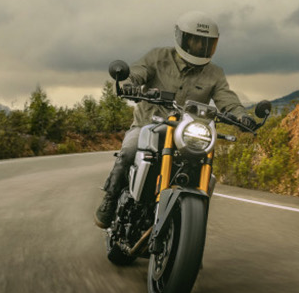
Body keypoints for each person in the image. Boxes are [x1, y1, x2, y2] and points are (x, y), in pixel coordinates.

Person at [96, 11, 256, 228]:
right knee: (130, 151)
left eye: (206, 42)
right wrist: (129, 84)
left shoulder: (215, 73)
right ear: (182, 38)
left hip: (187, 134)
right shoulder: (158, 57)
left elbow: (227, 98)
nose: (200, 46)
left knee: (204, 169)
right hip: (148, 126)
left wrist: (242, 116)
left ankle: (189, 227)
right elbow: (136, 72)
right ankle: (110, 198)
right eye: (195, 40)